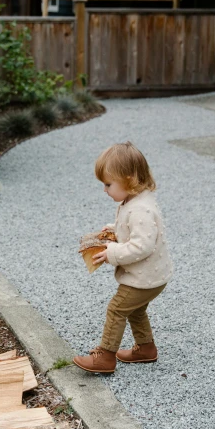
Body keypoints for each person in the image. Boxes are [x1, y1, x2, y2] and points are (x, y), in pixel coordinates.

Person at [73, 141, 173, 374]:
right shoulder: (132, 200)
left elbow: (142, 246)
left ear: (129, 179)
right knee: (135, 310)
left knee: (117, 308)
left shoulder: (140, 209)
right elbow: (131, 230)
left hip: (144, 277)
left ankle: (105, 357)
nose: (105, 190)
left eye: (108, 184)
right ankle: (146, 348)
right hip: (152, 274)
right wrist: (113, 231)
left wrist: (112, 253)